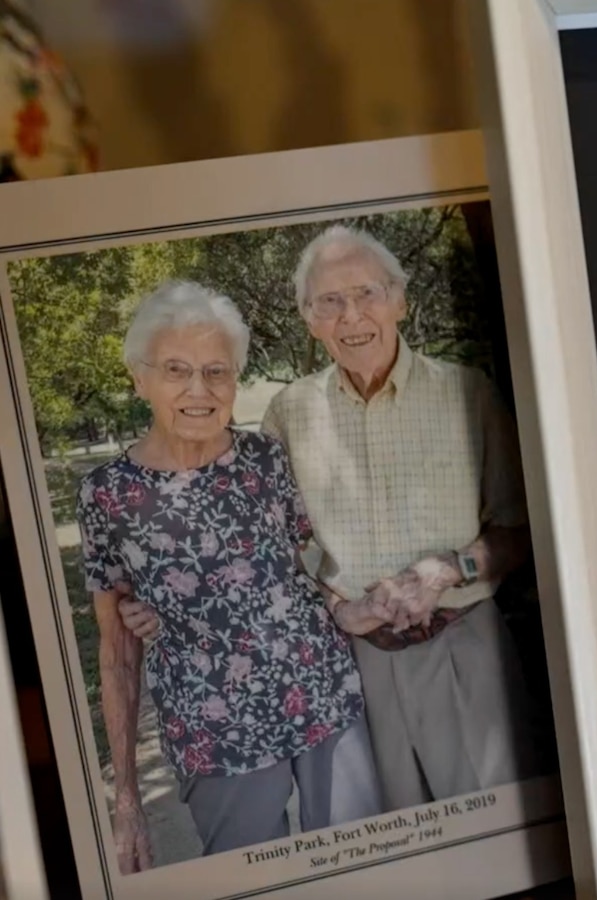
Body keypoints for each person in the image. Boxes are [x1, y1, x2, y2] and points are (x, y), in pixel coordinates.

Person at [128, 226, 545, 811]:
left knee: (500, 830)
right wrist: (166, 599)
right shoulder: (289, 413)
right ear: (309, 318)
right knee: (389, 850)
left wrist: (448, 569)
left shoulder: (467, 394)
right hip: (350, 666)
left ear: (399, 300)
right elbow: (258, 546)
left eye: (367, 293)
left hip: (464, 653)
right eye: (329, 301)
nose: (352, 315)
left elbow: (524, 529)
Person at [81, 281, 382, 874]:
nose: (200, 389)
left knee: (363, 870)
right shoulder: (108, 495)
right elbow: (115, 650)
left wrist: (347, 603)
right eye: (177, 370)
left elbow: (304, 561)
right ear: (140, 378)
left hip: (323, 697)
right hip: (214, 732)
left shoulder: (266, 457)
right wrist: (128, 800)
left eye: (217, 371)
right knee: (255, 880)